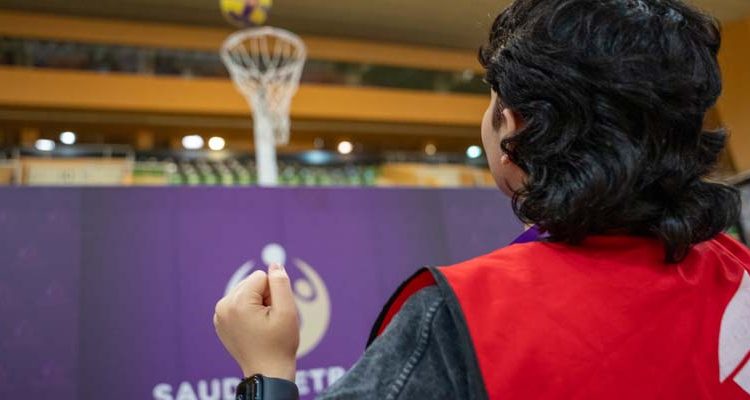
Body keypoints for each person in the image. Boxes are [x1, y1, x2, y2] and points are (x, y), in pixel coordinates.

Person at [213, 0, 750, 398]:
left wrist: (266, 371)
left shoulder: (459, 319)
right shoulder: (738, 271)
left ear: (513, 127)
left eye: (489, 99)